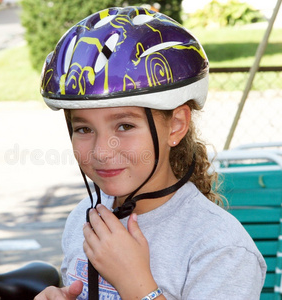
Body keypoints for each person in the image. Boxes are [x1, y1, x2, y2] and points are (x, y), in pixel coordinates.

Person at [36, 6, 266, 300]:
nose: (102, 152)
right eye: (83, 129)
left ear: (176, 125)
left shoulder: (220, 249)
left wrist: (137, 285)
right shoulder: (84, 217)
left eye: (125, 125)